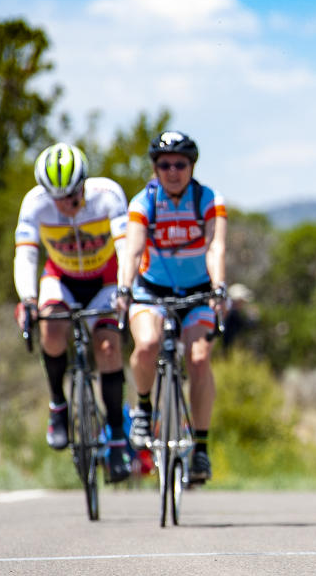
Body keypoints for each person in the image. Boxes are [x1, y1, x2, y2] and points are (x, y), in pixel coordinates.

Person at [13, 143, 134, 482]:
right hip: (61, 277)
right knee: (50, 330)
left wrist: (126, 289)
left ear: (84, 183)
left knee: (108, 347)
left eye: (72, 196)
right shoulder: (35, 204)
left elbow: (126, 249)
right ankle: (58, 405)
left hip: (106, 279)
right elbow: (26, 256)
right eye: (57, 197)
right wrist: (29, 299)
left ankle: (116, 437)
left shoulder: (108, 195)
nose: (65, 204)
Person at [118, 131, 228, 484]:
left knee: (198, 359)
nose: (173, 171)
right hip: (151, 289)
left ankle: (200, 448)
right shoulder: (143, 202)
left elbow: (215, 248)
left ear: (191, 167)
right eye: (164, 164)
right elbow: (133, 250)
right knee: (147, 345)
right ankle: (144, 408)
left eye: (180, 164)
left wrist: (218, 287)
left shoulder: (207, 199)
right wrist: (124, 288)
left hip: (197, 292)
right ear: (155, 168)